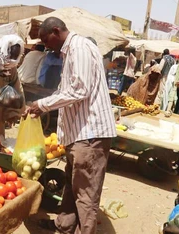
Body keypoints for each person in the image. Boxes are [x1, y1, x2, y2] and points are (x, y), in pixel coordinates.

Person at [26, 17, 116, 234]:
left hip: (90, 135)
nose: (46, 46)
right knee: (72, 186)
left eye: (46, 40)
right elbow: (67, 89)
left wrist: (43, 104)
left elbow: (79, 90)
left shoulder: (79, 48)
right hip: (79, 134)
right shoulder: (70, 51)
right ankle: (64, 225)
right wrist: (43, 104)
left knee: (86, 195)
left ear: (56, 31)